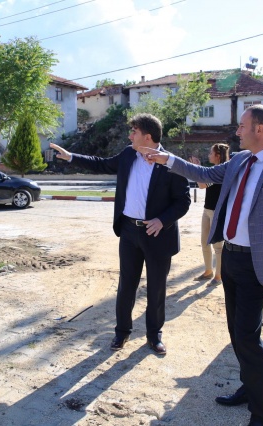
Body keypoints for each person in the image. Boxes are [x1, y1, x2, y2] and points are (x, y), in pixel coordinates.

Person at [144, 105, 263, 426]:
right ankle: (248, 387)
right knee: (236, 331)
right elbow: (203, 175)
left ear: (259, 129)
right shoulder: (239, 160)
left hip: (257, 263)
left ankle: (262, 416)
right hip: (229, 258)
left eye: (242, 125)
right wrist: (167, 159)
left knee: (247, 336)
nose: (237, 131)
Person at [49, 113, 191, 356]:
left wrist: (161, 220)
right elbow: (101, 163)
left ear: (148, 136)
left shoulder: (171, 163)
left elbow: (183, 201)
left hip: (157, 234)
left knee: (156, 288)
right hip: (128, 231)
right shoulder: (128, 155)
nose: (130, 135)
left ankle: (154, 335)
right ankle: (122, 332)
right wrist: (71, 156)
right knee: (126, 285)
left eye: (134, 131)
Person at [190, 143, 230, 286]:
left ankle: (218, 276)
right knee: (205, 242)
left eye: (211, 153)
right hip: (207, 210)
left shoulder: (220, 172)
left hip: (216, 212)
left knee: (217, 246)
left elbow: (202, 185)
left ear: (217, 156)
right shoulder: (214, 170)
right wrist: (198, 168)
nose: (209, 155)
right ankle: (208, 271)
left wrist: (196, 168)